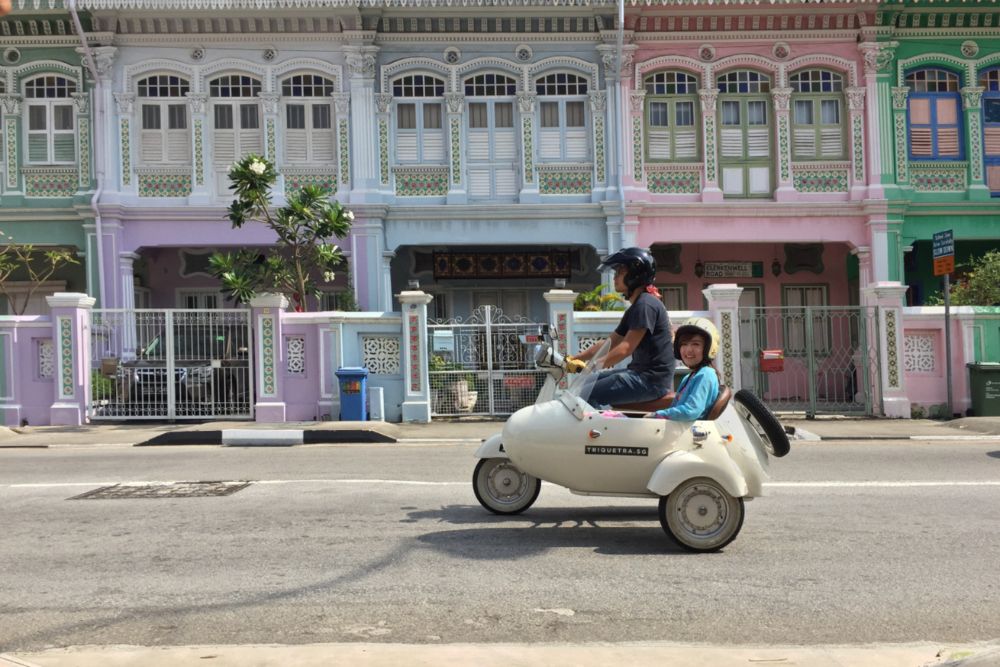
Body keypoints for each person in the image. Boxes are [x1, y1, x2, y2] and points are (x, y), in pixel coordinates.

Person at [566, 247, 674, 407]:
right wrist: (576, 358)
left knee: (585, 394)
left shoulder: (646, 304)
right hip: (640, 375)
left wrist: (592, 366)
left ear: (635, 275)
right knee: (586, 383)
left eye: (620, 273)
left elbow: (625, 349)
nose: (615, 277)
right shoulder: (637, 306)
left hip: (651, 381)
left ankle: (595, 424)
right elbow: (609, 343)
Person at [645, 317, 720, 421]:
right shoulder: (689, 377)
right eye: (684, 344)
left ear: (709, 348)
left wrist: (658, 415)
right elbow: (676, 408)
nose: (688, 350)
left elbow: (691, 410)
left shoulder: (706, 374)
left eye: (696, 344)